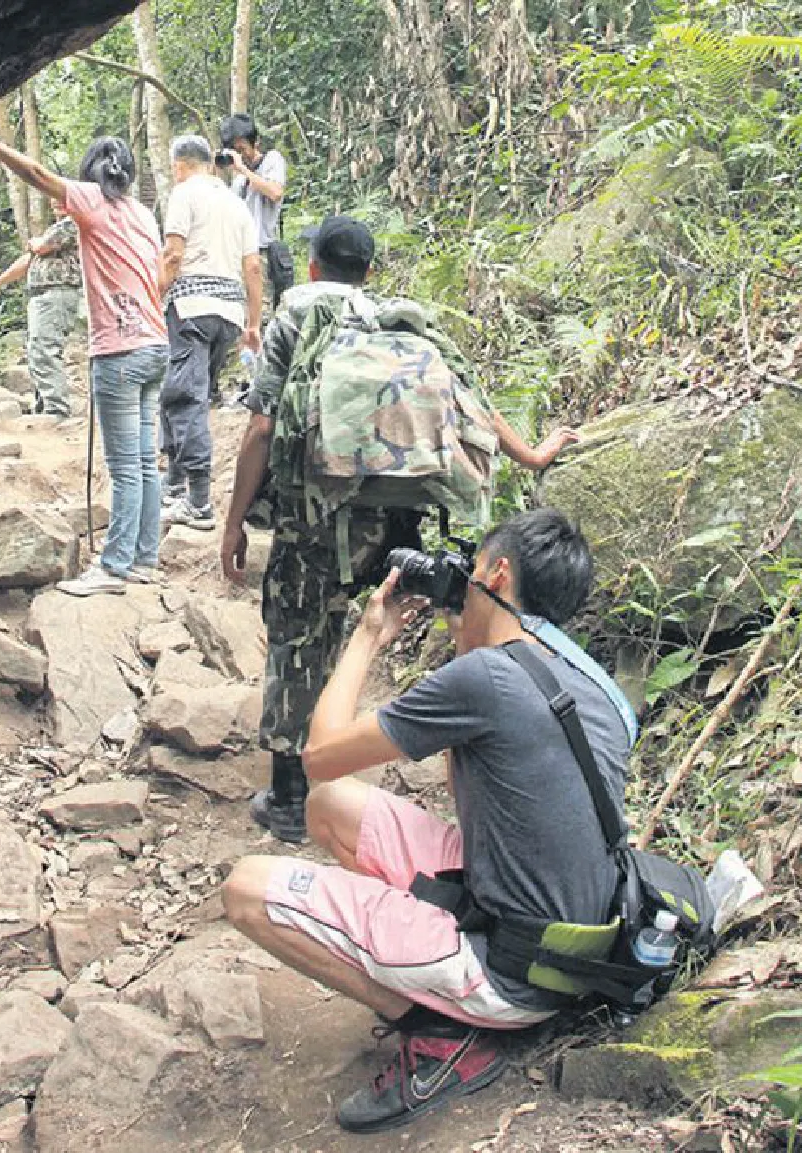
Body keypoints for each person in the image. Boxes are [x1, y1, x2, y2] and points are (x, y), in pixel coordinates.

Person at [222, 508, 630, 1133]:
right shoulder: (586, 676)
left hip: (512, 974)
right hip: (570, 947)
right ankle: (430, 972)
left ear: (496, 571)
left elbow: (320, 754)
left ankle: (445, 1036)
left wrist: (368, 635)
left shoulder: (486, 676)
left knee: (246, 889)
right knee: (331, 807)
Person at [220, 215, 579, 844]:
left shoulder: (295, 316)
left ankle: (289, 799)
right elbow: (471, 399)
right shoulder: (395, 321)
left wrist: (232, 525)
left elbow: (261, 428)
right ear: (370, 272)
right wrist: (531, 455)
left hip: (316, 515)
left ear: (311, 267)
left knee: (300, 637)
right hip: (397, 512)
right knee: (380, 620)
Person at [0, 123, 168, 596]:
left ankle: (115, 567)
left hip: (119, 351)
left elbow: (35, 173)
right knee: (143, 462)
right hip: (156, 345)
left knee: (125, 467)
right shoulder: (143, 214)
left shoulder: (92, 202)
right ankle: (144, 559)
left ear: (90, 175)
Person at [158, 134, 263, 532]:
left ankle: (198, 502)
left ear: (179, 166)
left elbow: (173, 255)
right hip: (229, 313)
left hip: (191, 309)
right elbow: (252, 268)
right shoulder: (237, 205)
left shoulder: (184, 195)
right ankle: (173, 485)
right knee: (179, 393)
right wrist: (253, 324)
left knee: (186, 399)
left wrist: (154, 298)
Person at [0, 198, 82, 418]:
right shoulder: (55, 228)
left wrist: (35, 243)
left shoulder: (72, 223)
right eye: (53, 198)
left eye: (61, 198)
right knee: (36, 349)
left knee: (45, 348)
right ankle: (44, 405)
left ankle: (56, 409)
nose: (56, 202)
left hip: (57, 293)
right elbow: (28, 258)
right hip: (42, 296)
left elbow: (40, 246)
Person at [219, 113, 287, 308]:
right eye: (234, 150)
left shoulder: (271, 160)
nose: (240, 155)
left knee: (261, 312)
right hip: (236, 255)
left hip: (261, 252)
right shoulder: (239, 179)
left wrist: (244, 170)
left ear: (256, 142)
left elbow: (275, 192)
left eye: (242, 149)